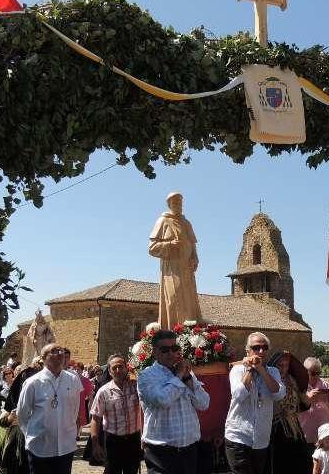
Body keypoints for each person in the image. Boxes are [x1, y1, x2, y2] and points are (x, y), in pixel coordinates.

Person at [137, 329, 210, 474]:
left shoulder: (186, 374)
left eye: (174, 348)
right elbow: (163, 400)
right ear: (155, 352)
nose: (171, 353)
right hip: (161, 452)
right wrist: (179, 375)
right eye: (165, 349)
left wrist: (188, 379)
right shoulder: (147, 376)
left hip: (189, 450)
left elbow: (203, 404)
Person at [225, 332, 286, 474]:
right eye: (256, 347)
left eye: (264, 348)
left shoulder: (273, 372)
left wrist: (262, 370)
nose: (261, 351)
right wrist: (251, 369)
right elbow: (239, 395)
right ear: (248, 351)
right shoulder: (237, 370)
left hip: (261, 439)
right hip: (238, 437)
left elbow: (279, 394)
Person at [17, 344, 83, 474]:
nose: (60, 353)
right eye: (54, 351)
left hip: (65, 446)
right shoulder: (33, 383)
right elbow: (22, 414)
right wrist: (33, 435)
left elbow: (74, 409)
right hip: (39, 448)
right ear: (43, 358)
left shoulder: (73, 379)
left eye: (61, 350)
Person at [149, 191, 202, 327]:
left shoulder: (186, 223)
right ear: (169, 204)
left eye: (180, 202)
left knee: (189, 302)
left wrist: (195, 258)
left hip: (186, 270)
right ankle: (172, 332)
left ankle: (190, 333)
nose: (179, 205)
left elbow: (192, 243)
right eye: (175, 202)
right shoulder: (163, 221)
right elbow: (152, 247)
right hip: (171, 270)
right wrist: (169, 244)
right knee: (173, 299)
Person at [91, 354, 143, 474]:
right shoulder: (103, 392)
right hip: (113, 441)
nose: (118, 370)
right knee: (112, 471)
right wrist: (95, 444)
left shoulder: (136, 386)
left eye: (121, 366)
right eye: (114, 368)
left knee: (132, 471)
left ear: (126, 368)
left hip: (133, 439)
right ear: (109, 371)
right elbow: (95, 418)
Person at [268, 351, 311, 474]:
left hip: (294, 427)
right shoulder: (269, 381)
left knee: (302, 461)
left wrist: (305, 398)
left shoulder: (292, 380)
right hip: (275, 428)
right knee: (281, 463)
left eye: (286, 365)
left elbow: (303, 405)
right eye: (280, 365)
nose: (283, 368)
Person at [299, 357, 329, 446]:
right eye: (313, 373)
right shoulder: (299, 386)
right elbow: (295, 407)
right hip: (308, 433)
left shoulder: (325, 384)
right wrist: (307, 397)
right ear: (305, 372)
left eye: (318, 373)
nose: (316, 376)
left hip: (325, 433)